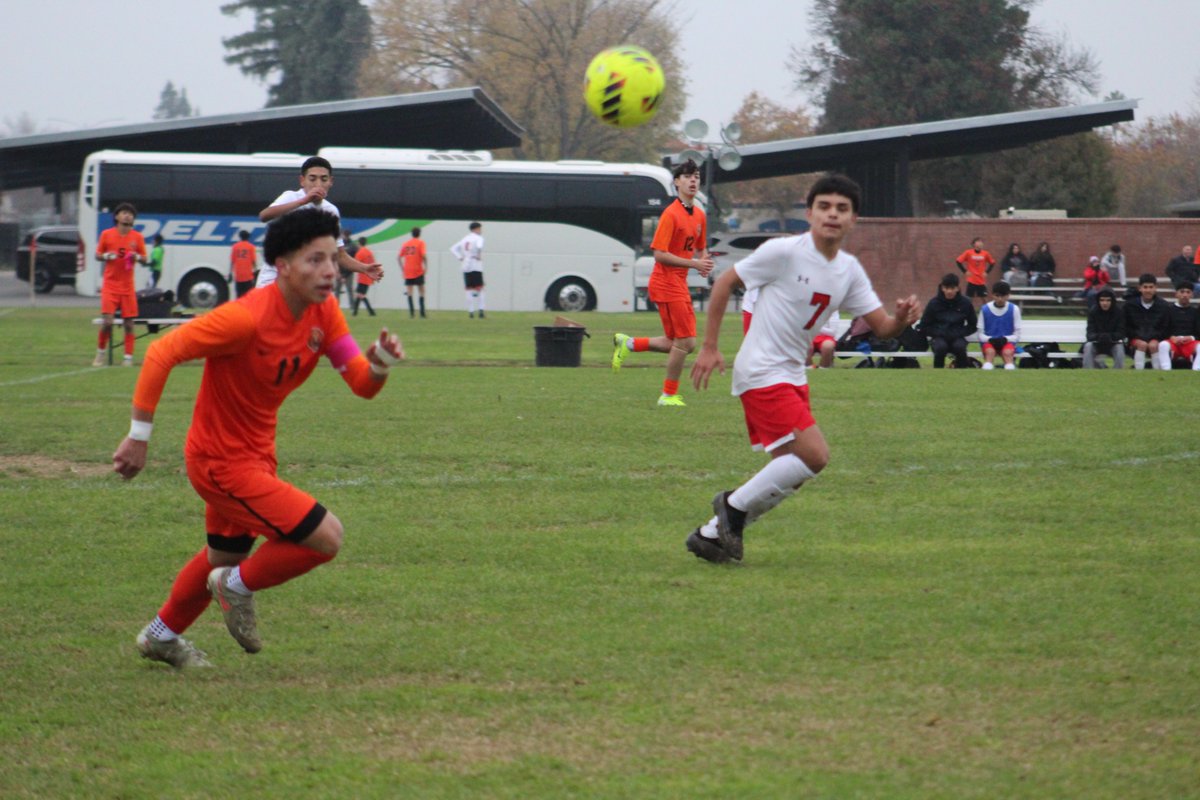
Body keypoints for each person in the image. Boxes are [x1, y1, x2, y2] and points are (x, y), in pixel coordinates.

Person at [113, 208, 404, 669]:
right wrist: (138, 437)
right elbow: (162, 351)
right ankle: (235, 587)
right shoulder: (244, 319)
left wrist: (381, 366)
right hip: (219, 463)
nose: (329, 271)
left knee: (222, 556)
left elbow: (360, 383)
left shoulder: (325, 313)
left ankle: (160, 636)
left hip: (257, 457)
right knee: (326, 537)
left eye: (332, 258)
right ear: (282, 266)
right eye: (314, 260)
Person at [686, 173, 919, 564]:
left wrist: (902, 319)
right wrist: (709, 347)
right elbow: (725, 282)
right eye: (824, 206)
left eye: (842, 208)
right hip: (762, 371)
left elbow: (882, 328)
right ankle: (731, 508)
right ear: (809, 213)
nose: (832, 214)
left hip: (793, 374)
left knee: (792, 469)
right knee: (815, 455)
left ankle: (711, 535)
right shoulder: (783, 252)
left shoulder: (849, 270)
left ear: (854, 219)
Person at [611, 159, 714, 407]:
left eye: (696, 176)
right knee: (686, 342)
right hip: (666, 283)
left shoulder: (699, 215)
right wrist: (694, 264)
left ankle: (629, 343)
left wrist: (704, 260)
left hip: (678, 283)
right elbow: (659, 254)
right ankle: (668, 395)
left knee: (676, 342)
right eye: (687, 176)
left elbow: (701, 247)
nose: (693, 180)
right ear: (676, 182)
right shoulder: (671, 214)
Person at [256, 156, 383, 290]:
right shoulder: (291, 197)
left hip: (304, 282)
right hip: (275, 278)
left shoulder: (331, 211)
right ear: (302, 180)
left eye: (324, 179)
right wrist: (304, 201)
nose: (318, 184)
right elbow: (264, 215)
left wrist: (364, 268)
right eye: (312, 179)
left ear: (331, 182)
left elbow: (340, 254)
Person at [92, 202, 148, 368]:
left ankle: (128, 358)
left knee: (129, 323)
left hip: (127, 287)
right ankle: (100, 353)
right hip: (110, 285)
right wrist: (106, 256)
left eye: (130, 214)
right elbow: (97, 255)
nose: (127, 215)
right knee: (107, 322)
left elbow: (145, 259)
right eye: (124, 213)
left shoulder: (137, 237)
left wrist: (137, 257)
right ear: (117, 216)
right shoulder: (106, 234)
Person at [918, 273, 976, 368]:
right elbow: (924, 326)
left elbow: (973, 325)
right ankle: (938, 372)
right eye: (946, 288)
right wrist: (939, 332)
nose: (949, 291)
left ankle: (962, 372)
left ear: (957, 288)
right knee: (941, 347)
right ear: (942, 288)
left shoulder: (965, 303)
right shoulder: (933, 303)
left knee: (960, 347)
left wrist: (959, 332)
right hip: (938, 337)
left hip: (957, 337)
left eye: (952, 288)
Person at [1123, 273, 1171, 370]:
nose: (1148, 290)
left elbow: (1166, 327)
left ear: (1155, 288)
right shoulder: (1129, 306)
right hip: (1135, 339)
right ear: (1140, 288)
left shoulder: (1164, 306)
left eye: (1151, 287)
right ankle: (1139, 371)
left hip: (1156, 338)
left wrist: (1156, 338)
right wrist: (1136, 337)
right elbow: (1125, 326)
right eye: (1145, 287)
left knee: (1153, 345)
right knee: (1142, 345)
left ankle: (1156, 371)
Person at [977, 280, 1021, 370]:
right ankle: (988, 367)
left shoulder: (1014, 309)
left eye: (1003, 296)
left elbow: (1017, 334)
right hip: (989, 342)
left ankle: (1009, 367)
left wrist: (1006, 339)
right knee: (990, 352)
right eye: (997, 296)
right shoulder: (985, 309)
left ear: (1008, 295)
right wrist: (990, 339)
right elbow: (980, 333)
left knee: (1007, 353)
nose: (1000, 299)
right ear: (992, 295)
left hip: (1007, 342)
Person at [1081, 288, 1126, 369]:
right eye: (1102, 300)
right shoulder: (1093, 312)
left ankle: (1118, 372)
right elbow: (1089, 334)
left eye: (1108, 300)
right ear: (1098, 301)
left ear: (1112, 301)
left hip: (1113, 343)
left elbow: (1121, 333)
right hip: (1097, 343)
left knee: (1119, 348)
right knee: (1088, 346)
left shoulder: (1119, 312)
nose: (1105, 303)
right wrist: (1099, 337)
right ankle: (1088, 371)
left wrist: (1109, 337)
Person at [450, 221, 486, 318]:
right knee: (480, 288)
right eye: (480, 229)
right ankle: (481, 311)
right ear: (476, 229)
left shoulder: (465, 239)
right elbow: (479, 246)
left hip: (466, 265)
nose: (481, 231)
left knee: (468, 289)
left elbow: (453, 248)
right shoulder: (479, 238)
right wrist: (478, 254)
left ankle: (471, 312)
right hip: (476, 265)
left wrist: (460, 257)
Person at [1163, 283, 1200, 371]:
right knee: (1163, 345)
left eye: (1188, 292)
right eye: (1182, 292)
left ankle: (1196, 369)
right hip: (1173, 342)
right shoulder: (1168, 310)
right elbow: (1163, 329)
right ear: (1176, 294)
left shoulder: (1195, 312)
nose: (1185, 295)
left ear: (1192, 295)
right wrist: (1171, 337)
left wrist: (1191, 337)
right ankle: (1166, 369)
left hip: (1190, 342)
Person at [955, 237, 995, 309]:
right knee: (969, 299)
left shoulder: (985, 253)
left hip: (981, 280)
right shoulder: (968, 252)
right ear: (974, 244)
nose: (980, 243)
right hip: (972, 280)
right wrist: (965, 271)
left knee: (984, 298)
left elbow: (992, 263)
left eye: (981, 242)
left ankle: (988, 311)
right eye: (978, 241)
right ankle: (967, 312)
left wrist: (987, 272)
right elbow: (958, 261)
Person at [399, 227, 428, 318]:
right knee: (421, 291)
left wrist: (403, 269)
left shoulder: (406, 244)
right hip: (418, 270)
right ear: (419, 234)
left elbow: (399, 257)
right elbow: (423, 255)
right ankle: (422, 313)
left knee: (409, 292)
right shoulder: (421, 243)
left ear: (412, 234)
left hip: (408, 270)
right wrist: (426, 266)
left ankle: (412, 313)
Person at [228, 229, 258, 298]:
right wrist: (256, 272)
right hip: (248, 276)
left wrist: (230, 273)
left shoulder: (235, 246)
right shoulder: (251, 247)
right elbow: (253, 261)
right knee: (248, 296)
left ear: (240, 237)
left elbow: (232, 261)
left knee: (239, 296)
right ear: (248, 237)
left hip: (238, 276)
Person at [352, 237, 377, 317]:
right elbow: (374, 264)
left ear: (359, 243)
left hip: (363, 277)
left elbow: (355, 263)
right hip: (368, 277)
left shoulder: (360, 253)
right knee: (360, 294)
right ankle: (355, 312)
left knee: (361, 295)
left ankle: (371, 312)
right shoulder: (369, 252)